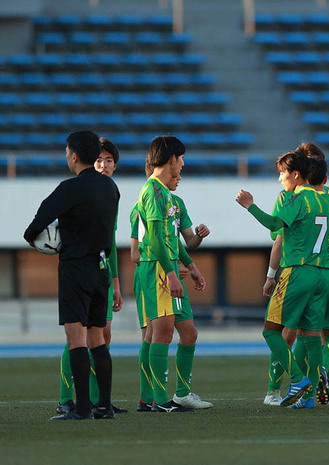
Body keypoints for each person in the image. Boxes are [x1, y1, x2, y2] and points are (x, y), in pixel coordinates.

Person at [24, 130, 120, 420]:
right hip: (102, 269)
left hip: (75, 268)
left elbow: (34, 227)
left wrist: (42, 241)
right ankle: (104, 406)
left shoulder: (69, 188)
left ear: (74, 156)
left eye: (67, 153)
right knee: (98, 340)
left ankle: (80, 409)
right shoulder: (110, 188)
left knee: (76, 339)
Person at [236, 150, 329, 409]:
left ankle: (297, 379)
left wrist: (250, 205)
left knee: (271, 331)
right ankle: (307, 400)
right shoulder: (324, 200)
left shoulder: (296, 199)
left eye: (282, 173)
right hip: (321, 274)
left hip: (297, 271)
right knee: (313, 335)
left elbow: (274, 225)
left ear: (296, 174)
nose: (280, 178)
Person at [263, 143, 329, 407]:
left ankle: (291, 386)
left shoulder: (291, 198)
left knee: (287, 332)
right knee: (320, 334)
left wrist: (271, 275)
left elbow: (277, 237)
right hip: (328, 274)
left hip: (299, 272)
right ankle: (302, 387)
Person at [56, 138, 127, 416]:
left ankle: (100, 400)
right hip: (79, 271)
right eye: (99, 160)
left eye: (109, 160)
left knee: (102, 336)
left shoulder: (111, 191)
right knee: (77, 337)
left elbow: (109, 240)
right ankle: (66, 398)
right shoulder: (80, 190)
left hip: (102, 273)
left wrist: (116, 283)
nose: (104, 164)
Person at [133, 166, 212, 412]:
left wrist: (191, 262)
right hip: (154, 271)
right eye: (177, 171)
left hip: (170, 271)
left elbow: (180, 240)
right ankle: (154, 398)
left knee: (188, 333)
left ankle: (179, 394)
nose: (180, 176)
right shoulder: (146, 200)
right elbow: (139, 251)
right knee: (156, 333)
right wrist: (171, 271)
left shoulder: (174, 202)